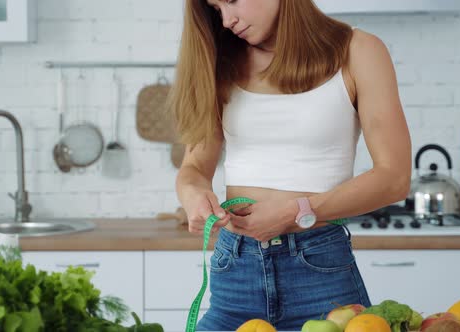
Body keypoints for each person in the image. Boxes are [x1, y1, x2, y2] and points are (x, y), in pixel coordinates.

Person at [168, 0, 412, 330]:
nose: (226, 20)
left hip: (319, 269)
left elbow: (394, 177)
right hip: (235, 266)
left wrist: (295, 211)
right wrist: (193, 194)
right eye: (216, 9)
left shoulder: (359, 51)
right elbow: (194, 168)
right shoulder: (221, 59)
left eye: (231, 1)